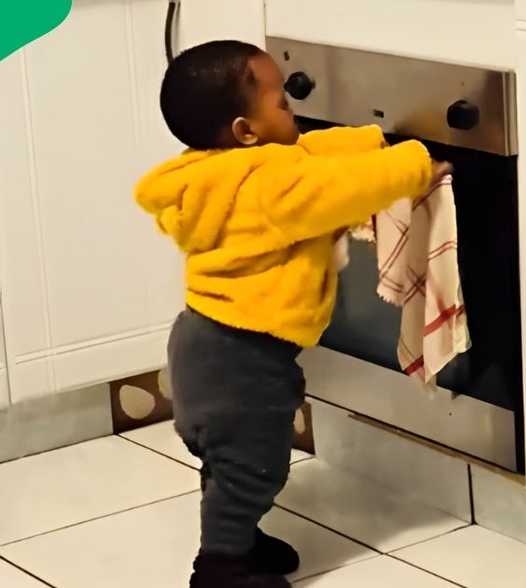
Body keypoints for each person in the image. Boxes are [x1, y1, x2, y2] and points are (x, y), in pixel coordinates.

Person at [135, 40, 451, 588]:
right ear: (244, 130)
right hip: (242, 357)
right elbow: (338, 188)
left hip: (207, 344)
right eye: (282, 102)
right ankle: (220, 569)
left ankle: (241, 540)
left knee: (232, 462)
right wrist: (415, 163)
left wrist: (372, 139)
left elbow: (312, 153)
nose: (293, 109)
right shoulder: (268, 188)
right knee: (253, 465)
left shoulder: (222, 172)